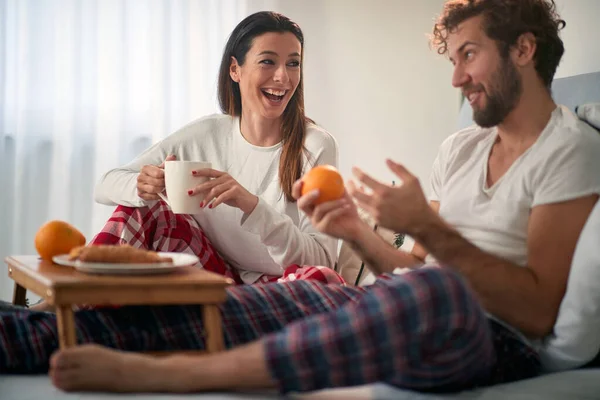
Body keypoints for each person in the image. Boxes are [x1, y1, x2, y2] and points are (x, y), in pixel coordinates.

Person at [1, 0, 600, 394]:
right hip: (412, 298)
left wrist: (428, 231)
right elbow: (410, 269)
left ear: (523, 49)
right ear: (235, 71)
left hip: (491, 334)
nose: (455, 78)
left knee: (430, 289)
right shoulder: (459, 151)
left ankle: (186, 376)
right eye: (452, 59)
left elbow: (538, 312)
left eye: (468, 55)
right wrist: (360, 232)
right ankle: (26, 335)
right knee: (239, 308)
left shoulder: (570, 150)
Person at [30, 11, 343, 315]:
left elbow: (323, 260)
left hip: (278, 290)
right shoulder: (206, 135)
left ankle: (62, 315)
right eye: (268, 62)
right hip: (214, 277)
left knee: (321, 280)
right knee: (149, 205)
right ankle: (61, 306)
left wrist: (251, 205)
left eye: (293, 63)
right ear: (235, 70)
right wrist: (142, 185)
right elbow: (105, 184)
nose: (283, 77)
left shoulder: (315, 147)